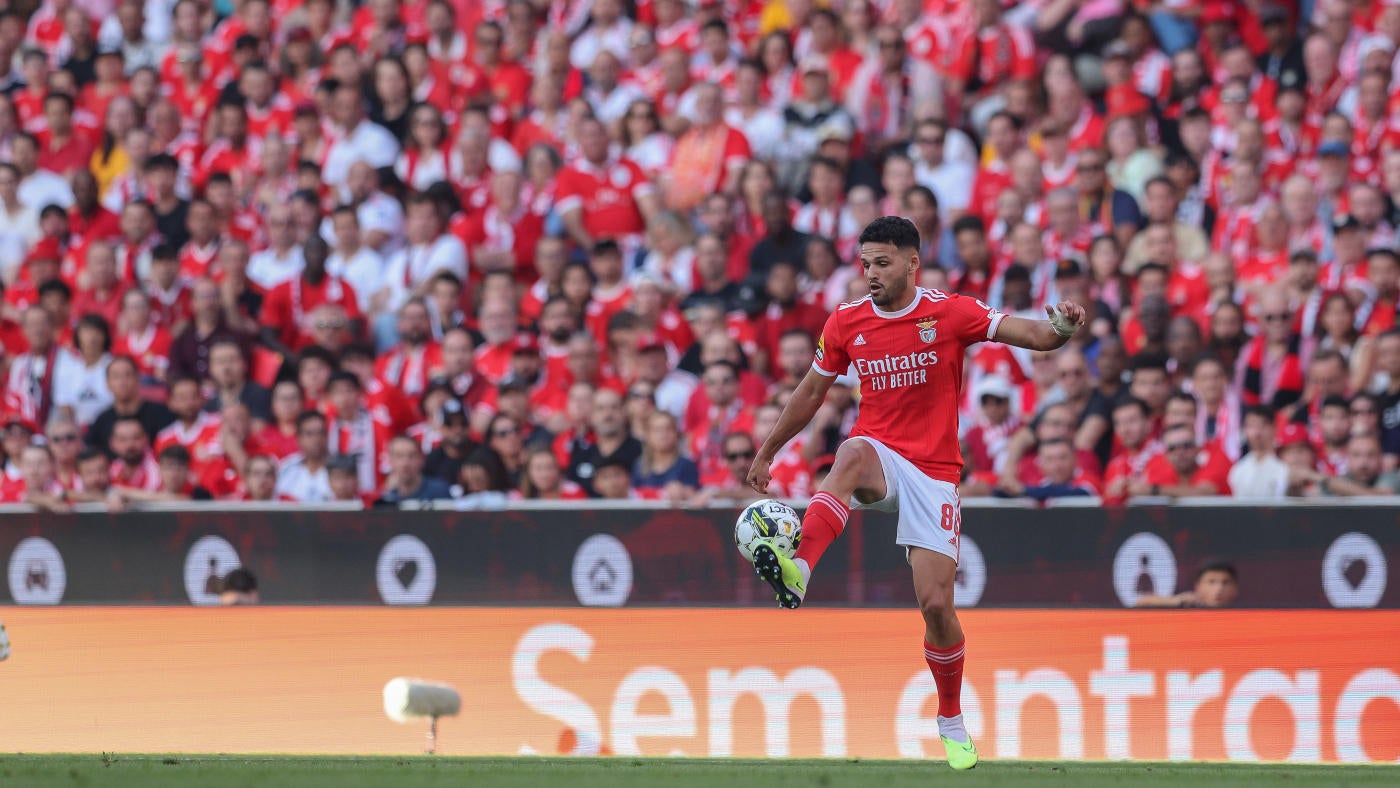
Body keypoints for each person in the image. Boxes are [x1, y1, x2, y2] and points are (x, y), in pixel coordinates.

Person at [745, 216, 1087, 770]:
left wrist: (1062, 329)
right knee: (851, 451)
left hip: (934, 471)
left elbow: (1032, 335)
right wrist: (767, 452)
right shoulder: (846, 323)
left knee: (936, 607)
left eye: (882, 263)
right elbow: (811, 392)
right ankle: (799, 570)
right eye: (865, 265)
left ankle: (950, 717)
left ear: (912, 262)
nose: (871, 274)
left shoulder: (950, 311)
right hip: (880, 457)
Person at [1136, 561, 1240, 609]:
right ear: (1198, 587)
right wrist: (1176, 601)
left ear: (1235, 589)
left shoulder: (1245, 615)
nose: (1219, 589)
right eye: (1211, 582)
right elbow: (1142, 601)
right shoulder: (1189, 608)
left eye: (1225, 582)